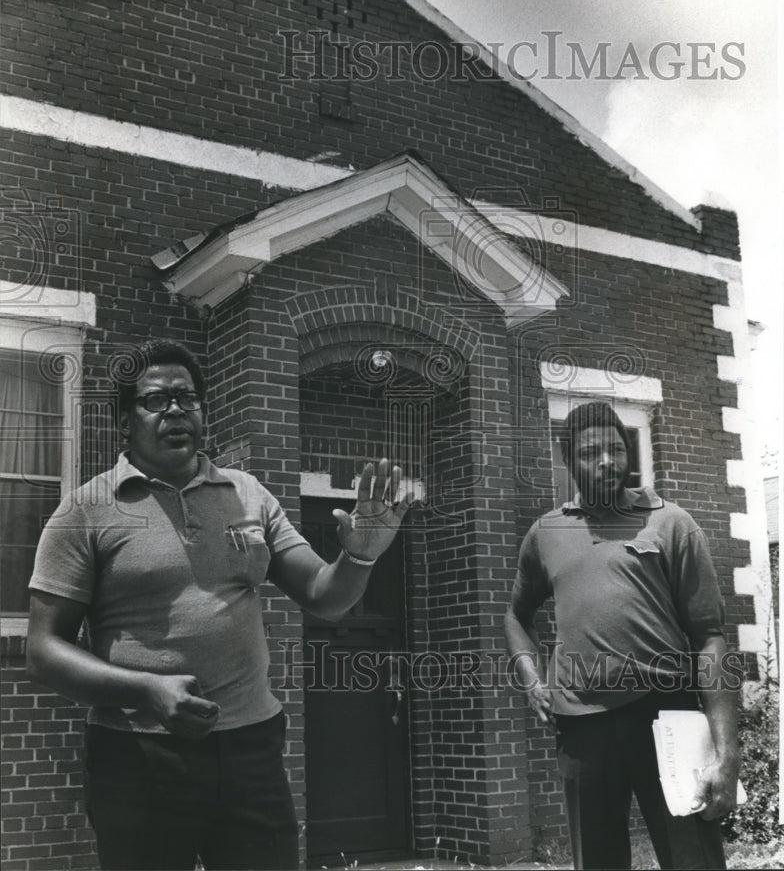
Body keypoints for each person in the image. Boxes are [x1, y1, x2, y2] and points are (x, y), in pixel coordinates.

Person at [26, 339, 414, 871]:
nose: (175, 411)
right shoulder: (85, 511)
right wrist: (146, 689)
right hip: (140, 757)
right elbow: (43, 651)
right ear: (124, 423)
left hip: (251, 751)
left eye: (187, 398)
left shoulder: (249, 494)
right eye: (156, 401)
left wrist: (362, 558)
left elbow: (326, 598)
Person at [504, 400, 740, 871]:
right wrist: (532, 680)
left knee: (694, 861)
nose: (609, 461)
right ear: (568, 459)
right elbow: (515, 616)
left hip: (665, 713)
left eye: (616, 449)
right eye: (592, 453)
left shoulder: (670, 523)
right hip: (581, 728)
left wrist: (726, 751)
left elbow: (710, 638)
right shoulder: (546, 532)